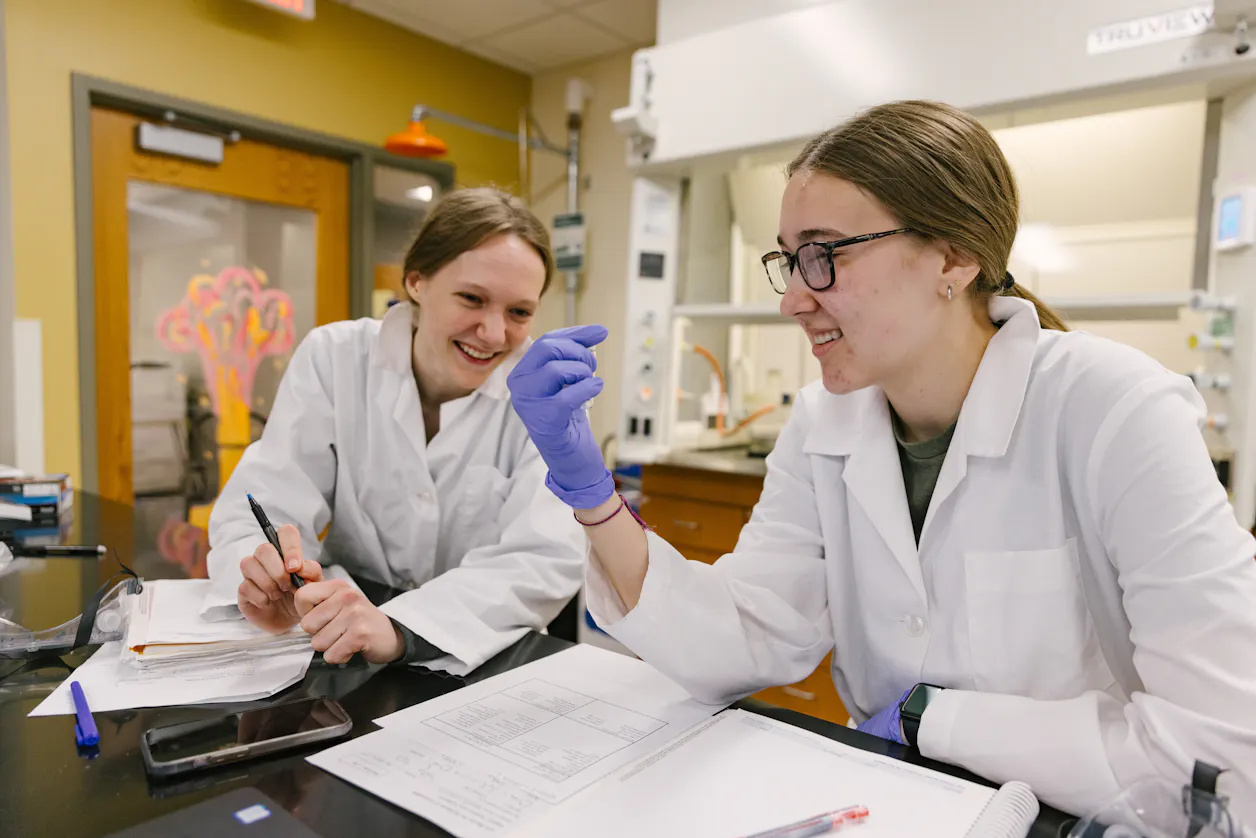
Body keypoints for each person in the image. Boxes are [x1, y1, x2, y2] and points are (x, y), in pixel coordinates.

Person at [506, 101, 1256, 820]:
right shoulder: (822, 423)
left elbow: (1219, 761)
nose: (792, 299)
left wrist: (933, 719)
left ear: (954, 258)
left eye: (822, 255)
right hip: (889, 804)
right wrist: (595, 496)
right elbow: (742, 636)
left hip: (1075, 818)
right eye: (788, 261)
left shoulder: (1119, 410)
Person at [203, 187, 585, 675]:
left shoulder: (548, 397)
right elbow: (267, 498)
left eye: (519, 312)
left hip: (483, 661)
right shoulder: (335, 359)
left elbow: (542, 558)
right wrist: (271, 577)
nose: (493, 333)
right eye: (472, 298)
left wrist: (402, 628)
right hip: (341, 650)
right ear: (417, 282)